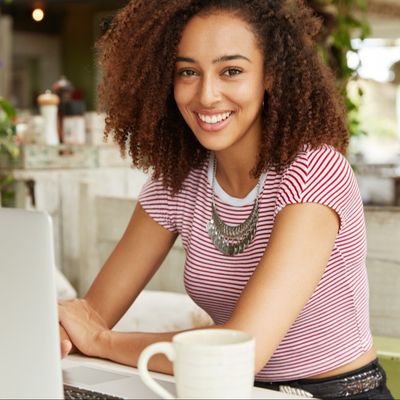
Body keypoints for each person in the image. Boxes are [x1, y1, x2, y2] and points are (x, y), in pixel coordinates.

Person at [58, 1, 393, 398]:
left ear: (269, 75)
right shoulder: (178, 184)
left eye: (231, 71)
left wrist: (103, 341)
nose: (207, 94)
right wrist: (65, 330)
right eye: (188, 72)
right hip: (229, 390)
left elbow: (243, 350)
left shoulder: (314, 173)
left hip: (338, 393)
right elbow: (92, 316)